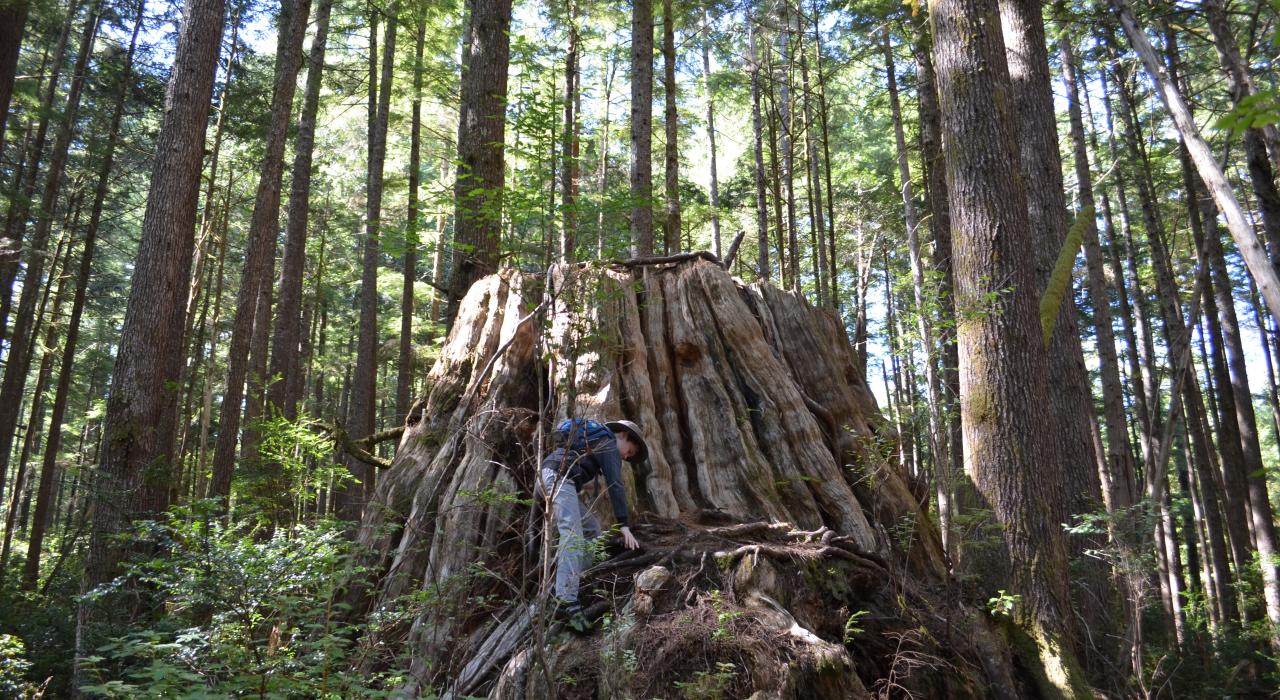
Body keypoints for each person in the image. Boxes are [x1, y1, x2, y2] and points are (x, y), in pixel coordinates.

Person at [538, 419, 649, 630]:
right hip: (558, 479)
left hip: (549, 476)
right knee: (572, 533)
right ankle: (566, 600)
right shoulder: (608, 442)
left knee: (591, 529)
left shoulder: (596, 440)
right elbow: (616, 483)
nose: (626, 457)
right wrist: (623, 524)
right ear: (623, 436)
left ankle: (577, 582)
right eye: (630, 452)